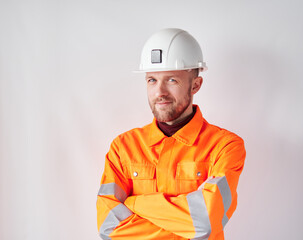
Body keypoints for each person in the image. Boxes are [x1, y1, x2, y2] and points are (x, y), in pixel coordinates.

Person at [96, 28, 246, 240]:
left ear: (196, 85)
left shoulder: (225, 146)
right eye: (152, 80)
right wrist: (182, 226)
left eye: (172, 80)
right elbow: (108, 227)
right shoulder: (123, 148)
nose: (160, 92)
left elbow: (205, 223)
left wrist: (133, 202)